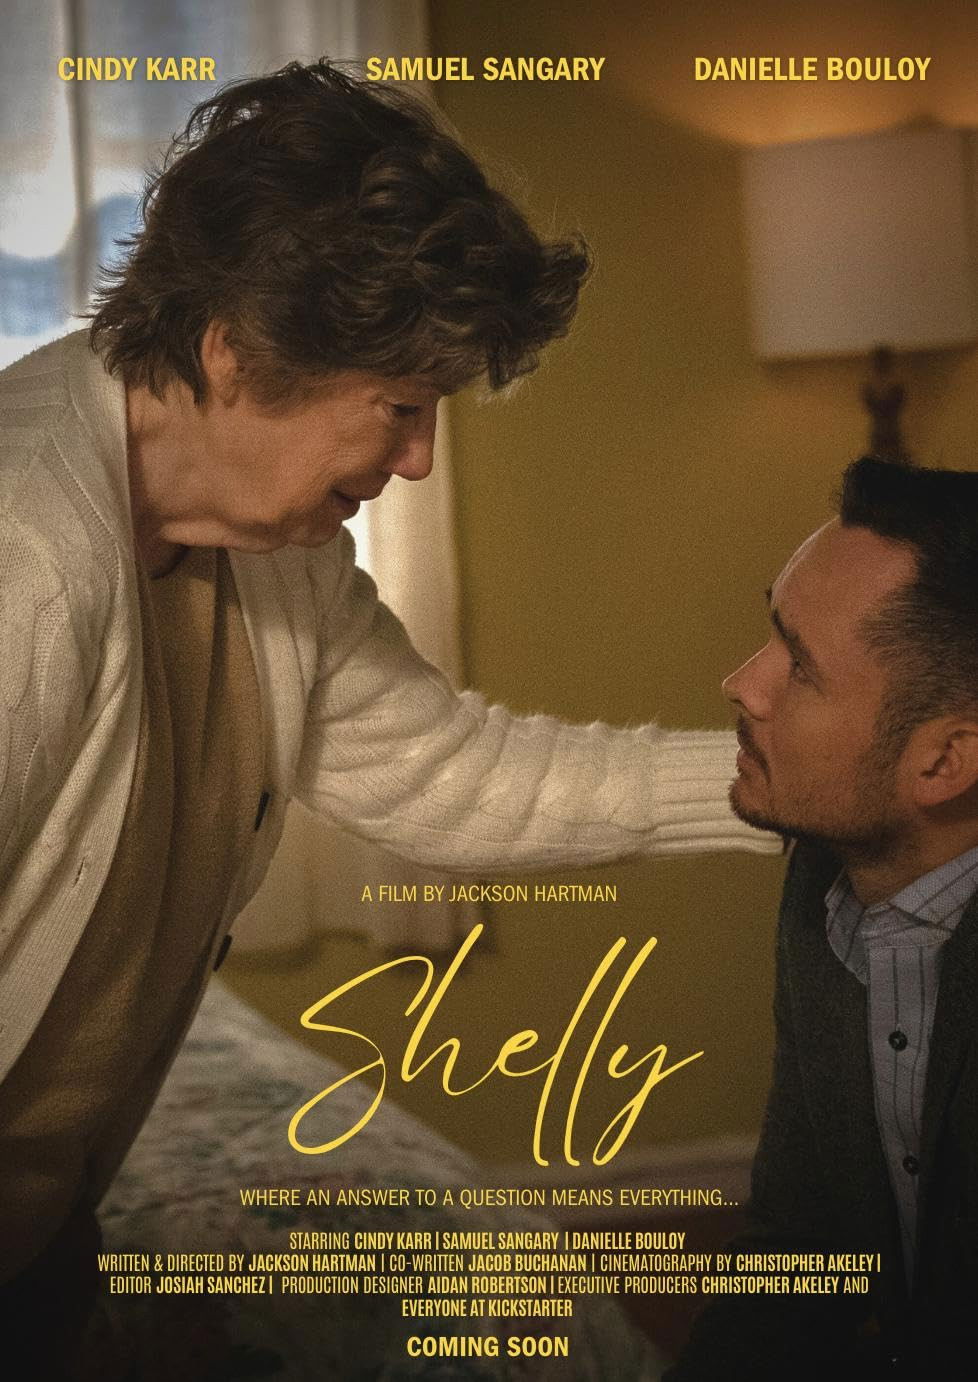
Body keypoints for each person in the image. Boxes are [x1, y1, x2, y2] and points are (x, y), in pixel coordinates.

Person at [0, 60, 772, 1376]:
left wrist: (787, 782)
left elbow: (456, 778)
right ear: (234, 352)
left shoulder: (276, 554)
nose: (416, 460)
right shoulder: (25, 552)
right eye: (401, 408)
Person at [667, 455, 978, 1381]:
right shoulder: (830, 879)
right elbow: (798, 1245)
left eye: (799, 667)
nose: (741, 683)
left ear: (945, 762)